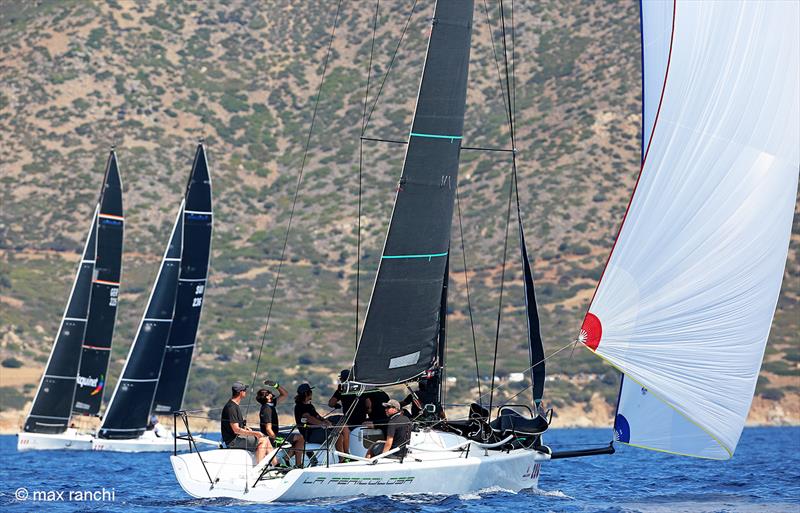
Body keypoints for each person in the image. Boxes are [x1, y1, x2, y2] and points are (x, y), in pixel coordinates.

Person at [293, 383, 349, 460]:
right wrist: (322, 424)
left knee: (339, 434)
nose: (312, 393)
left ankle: (345, 456)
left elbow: (317, 416)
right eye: (310, 391)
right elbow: (308, 418)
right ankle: (342, 459)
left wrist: (325, 421)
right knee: (338, 437)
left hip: (317, 431)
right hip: (310, 434)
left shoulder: (310, 406)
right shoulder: (300, 406)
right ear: (306, 393)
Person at [256, 382, 304, 467]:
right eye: (269, 392)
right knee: (300, 438)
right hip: (271, 438)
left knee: (299, 437)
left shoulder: (271, 404)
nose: (271, 393)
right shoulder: (266, 409)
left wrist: (276, 385)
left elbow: (284, 394)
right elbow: (268, 429)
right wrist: (277, 439)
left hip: (275, 435)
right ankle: (296, 463)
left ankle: (288, 459)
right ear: (268, 397)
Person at [221, 381, 270, 464]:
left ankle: (276, 465)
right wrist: (255, 433)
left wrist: (247, 429)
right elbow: (236, 430)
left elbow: (239, 426)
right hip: (232, 442)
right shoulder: (231, 407)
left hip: (237, 438)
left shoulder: (235, 405)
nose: (245, 392)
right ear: (241, 392)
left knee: (266, 438)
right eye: (244, 390)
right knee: (263, 441)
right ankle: (259, 468)